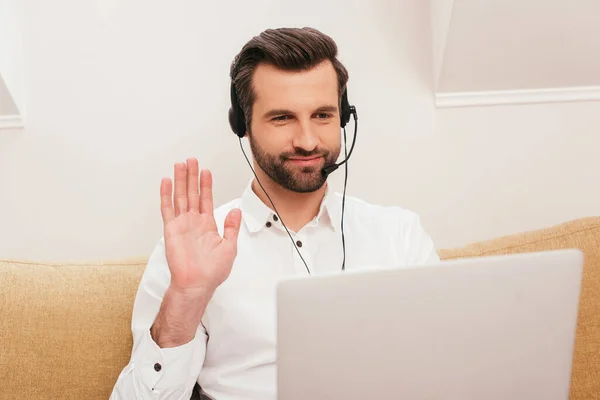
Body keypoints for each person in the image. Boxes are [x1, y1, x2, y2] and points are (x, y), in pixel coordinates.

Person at [110, 27, 439, 400]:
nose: (308, 140)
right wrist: (186, 297)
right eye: (282, 118)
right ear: (243, 126)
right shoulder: (192, 251)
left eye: (323, 115)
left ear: (344, 117)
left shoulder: (401, 236)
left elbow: (449, 372)